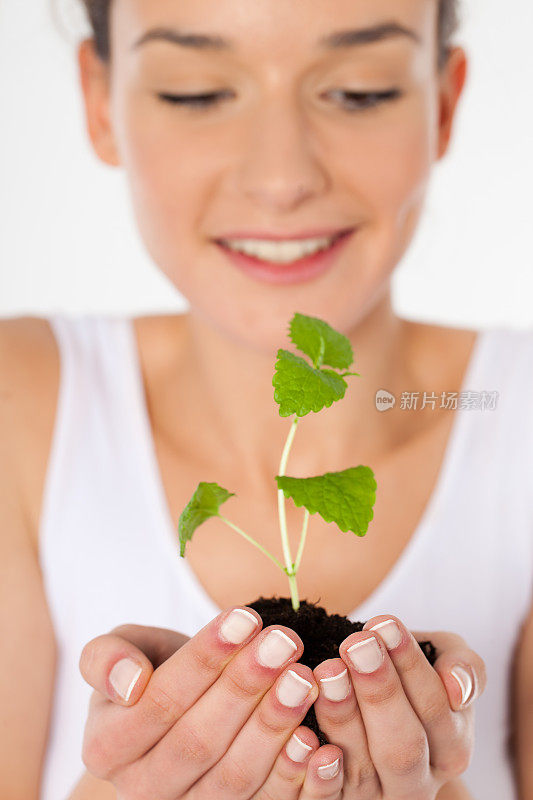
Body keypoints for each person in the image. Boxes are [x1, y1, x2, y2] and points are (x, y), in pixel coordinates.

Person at [0, 0, 531, 798]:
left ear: (443, 105)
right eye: (195, 93)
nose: (280, 179)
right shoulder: (22, 404)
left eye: (357, 91)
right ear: (97, 102)